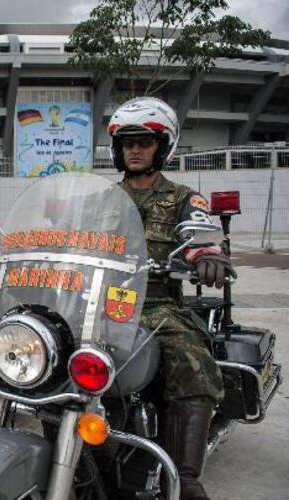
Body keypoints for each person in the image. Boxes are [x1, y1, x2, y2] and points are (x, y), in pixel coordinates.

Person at [109, 97, 236, 500]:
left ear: (161, 147)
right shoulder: (103, 199)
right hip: (102, 301)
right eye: (127, 142)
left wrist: (206, 255)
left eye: (143, 142)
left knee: (191, 361)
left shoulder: (184, 197)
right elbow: (72, 235)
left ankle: (183, 477)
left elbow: (199, 235)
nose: (134, 149)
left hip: (157, 306)